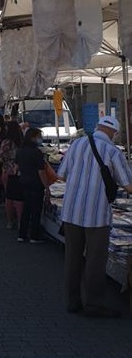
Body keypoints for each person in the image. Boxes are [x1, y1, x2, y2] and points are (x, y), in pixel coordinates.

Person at [57, 116, 132, 317]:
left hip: (71, 210)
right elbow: (128, 185)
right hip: (96, 214)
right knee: (94, 260)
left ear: (98, 127)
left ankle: (72, 301)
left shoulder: (76, 144)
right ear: (114, 133)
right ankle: (93, 304)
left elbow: (61, 175)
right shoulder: (113, 152)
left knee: (72, 258)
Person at [16, 128, 50, 243]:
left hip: (23, 181)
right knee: (36, 210)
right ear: (33, 137)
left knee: (26, 209)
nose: (40, 139)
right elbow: (41, 171)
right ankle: (34, 235)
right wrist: (47, 187)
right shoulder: (36, 152)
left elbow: (17, 167)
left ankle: (22, 234)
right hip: (35, 183)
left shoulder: (20, 150)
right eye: (39, 136)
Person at [0, 121, 24, 230]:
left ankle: (9, 221)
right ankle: (20, 221)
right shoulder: (22, 142)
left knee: (9, 197)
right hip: (20, 171)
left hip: (7, 171)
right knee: (19, 198)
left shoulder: (6, 142)